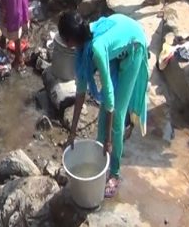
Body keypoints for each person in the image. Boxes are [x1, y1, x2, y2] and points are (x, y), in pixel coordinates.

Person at [59, 11, 149, 199]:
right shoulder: (81, 49)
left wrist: (108, 139)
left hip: (134, 45)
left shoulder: (97, 48)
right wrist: (72, 132)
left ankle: (115, 173)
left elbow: (108, 98)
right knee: (104, 116)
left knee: (116, 116)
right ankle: (101, 160)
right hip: (119, 42)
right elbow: (80, 92)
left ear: (69, 41)